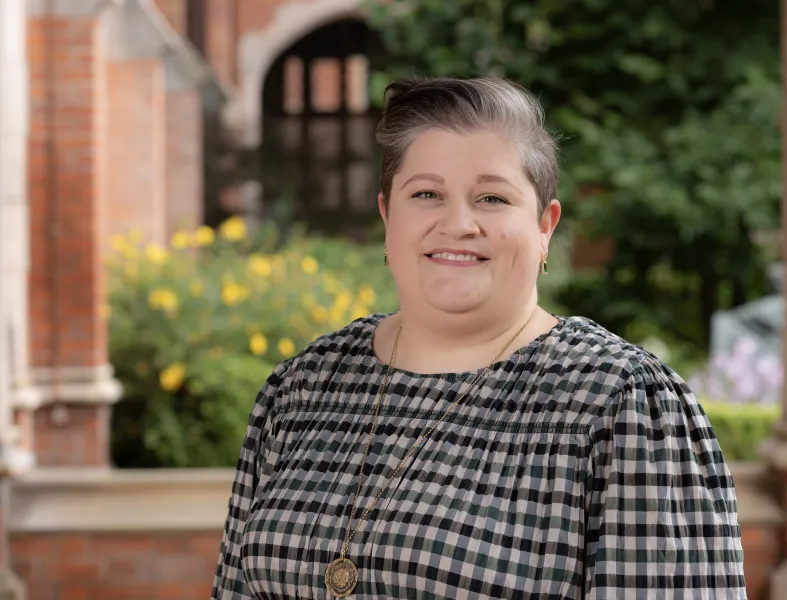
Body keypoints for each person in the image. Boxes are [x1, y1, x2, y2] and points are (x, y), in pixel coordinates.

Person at [211, 76, 746, 599]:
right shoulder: (305, 386)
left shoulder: (621, 404)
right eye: (426, 193)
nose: (458, 223)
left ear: (545, 227)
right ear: (387, 216)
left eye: (492, 198)